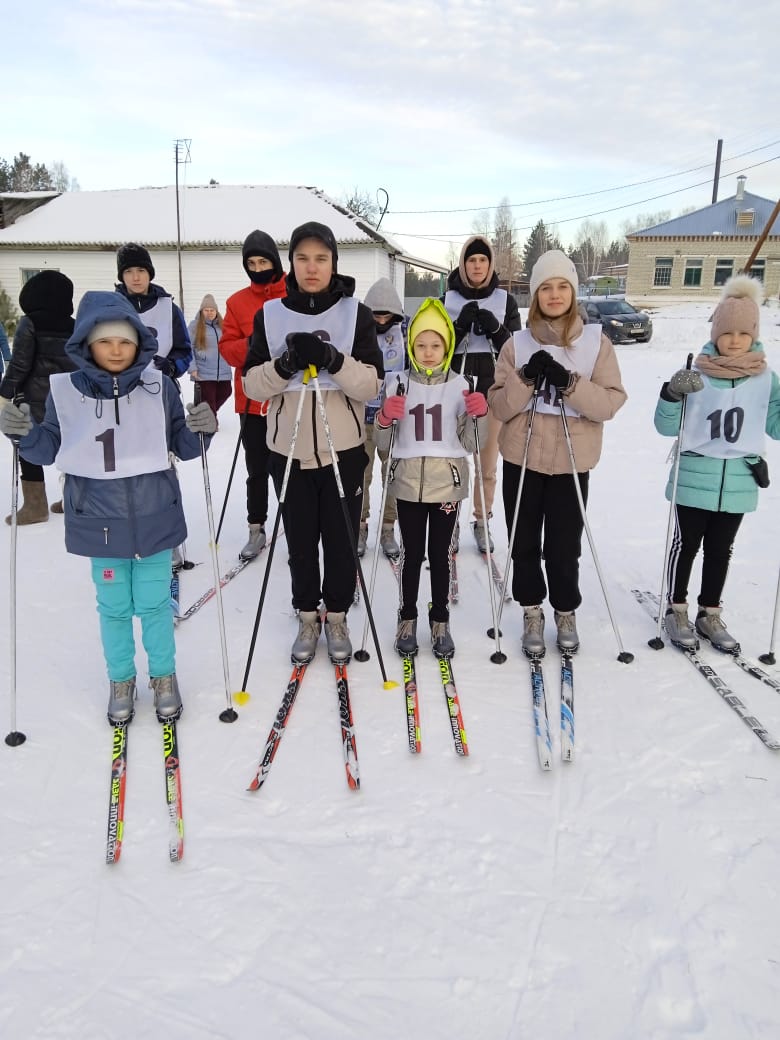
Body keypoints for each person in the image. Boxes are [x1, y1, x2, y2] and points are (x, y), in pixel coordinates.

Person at [0, 291, 216, 723]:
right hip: (99, 524)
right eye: (105, 341)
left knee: (155, 605)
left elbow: (183, 443)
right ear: (87, 343)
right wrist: (23, 434)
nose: (116, 349)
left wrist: (201, 431)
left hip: (155, 519)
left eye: (125, 341)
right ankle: (121, 678)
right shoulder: (66, 391)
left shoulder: (159, 386)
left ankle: (164, 676)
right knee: (114, 607)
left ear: (139, 342)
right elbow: (47, 449)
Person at [243, 220, 383, 664]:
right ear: (292, 264)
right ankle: (307, 614)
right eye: (302, 258)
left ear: (333, 263)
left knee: (341, 541)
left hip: (343, 448)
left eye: (321, 258)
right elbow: (251, 385)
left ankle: (337, 614)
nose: (311, 267)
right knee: (301, 542)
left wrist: (332, 359)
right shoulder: (271, 315)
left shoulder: (354, 313)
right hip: (288, 450)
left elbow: (371, 385)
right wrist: (284, 365)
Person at [488, 249, 627, 657]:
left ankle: (565, 609)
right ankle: (532, 609)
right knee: (524, 539)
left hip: (571, 460)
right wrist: (526, 377)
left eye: (561, 286)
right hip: (523, 458)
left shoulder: (595, 342)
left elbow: (609, 404)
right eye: (545, 288)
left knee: (565, 545)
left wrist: (569, 383)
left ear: (572, 291)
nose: (553, 294)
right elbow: (499, 405)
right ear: (534, 295)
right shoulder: (517, 344)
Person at [654, 274, 780, 651]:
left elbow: (774, 425)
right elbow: (665, 427)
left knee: (721, 550)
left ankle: (709, 612)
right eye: (728, 333)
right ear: (716, 334)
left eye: (743, 334)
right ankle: (677, 607)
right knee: (686, 543)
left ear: (754, 335)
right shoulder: (698, 373)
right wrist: (673, 393)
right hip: (695, 476)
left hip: (739, 480)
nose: (735, 341)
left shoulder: (766, 379)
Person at [374, 298, 488, 658]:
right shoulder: (397, 384)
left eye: (435, 345)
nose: (427, 352)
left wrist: (478, 415)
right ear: (410, 345)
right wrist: (383, 419)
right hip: (407, 484)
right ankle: (406, 617)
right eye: (421, 345)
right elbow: (383, 444)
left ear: (447, 346)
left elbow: (472, 443)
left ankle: (440, 620)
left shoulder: (461, 384)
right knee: (411, 554)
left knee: (440, 556)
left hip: (446, 486)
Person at [442, 235, 522, 553]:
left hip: (490, 392)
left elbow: (518, 352)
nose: (477, 266)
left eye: (482, 260)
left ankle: (481, 519)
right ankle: (449, 521)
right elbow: (433, 348)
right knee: (451, 460)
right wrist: (459, 328)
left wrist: (496, 329)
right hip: (454, 392)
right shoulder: (447, 299)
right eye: (471, 260)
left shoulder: (505, 302)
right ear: (463, 264)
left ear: (489, 265)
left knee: (486, 464)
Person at [219, 231, 287, 560]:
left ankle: (296, 523)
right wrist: (253, 346)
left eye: (264, 261)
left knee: (289, 468)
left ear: (275, 262)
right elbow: (228, 350)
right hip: (252, 402)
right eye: (252, 263)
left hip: (289, 399)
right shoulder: (236, 302)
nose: (258, 268)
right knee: (257, 468)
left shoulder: (294, 293)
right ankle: (256, 528)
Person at [0, 270, 76, 523]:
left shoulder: (30, 322)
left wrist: (5, 392)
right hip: (66, 399)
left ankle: (35, 506)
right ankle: (73, 500)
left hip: (33, 400)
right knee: (70, 447)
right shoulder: (74, 325)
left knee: (28, 448)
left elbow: (19, 364)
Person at [358, 277, 408, 559]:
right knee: (361, 476)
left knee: (392, 474)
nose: (380, 320)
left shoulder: (404, 330)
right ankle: (360, 525)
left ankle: (388, 526)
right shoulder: (358, 331)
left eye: (386, 314)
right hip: (364, 416)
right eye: (375, 314)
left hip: (393, 418)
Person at [114, 242, 192, 381]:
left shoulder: (169, 309)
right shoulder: (110, 308)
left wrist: (172, 366)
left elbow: (184, 351)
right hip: (121, 391)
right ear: (122, 276)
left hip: (160, 389)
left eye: (141, 270)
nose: (135, 277)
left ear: (149, 273)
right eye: (128, 271)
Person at [188, 293, 232, 421]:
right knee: (209, 398)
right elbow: (187, 347)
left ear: (216, 311)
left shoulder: (223, 326)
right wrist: (192, 368)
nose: (209, 313)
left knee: (226, 392)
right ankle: (211, 422)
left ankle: (204, 416)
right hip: (203, 370)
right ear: (201, 311)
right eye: (206, 310)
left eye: (212, 310)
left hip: (223, 369)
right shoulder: (195, 326)